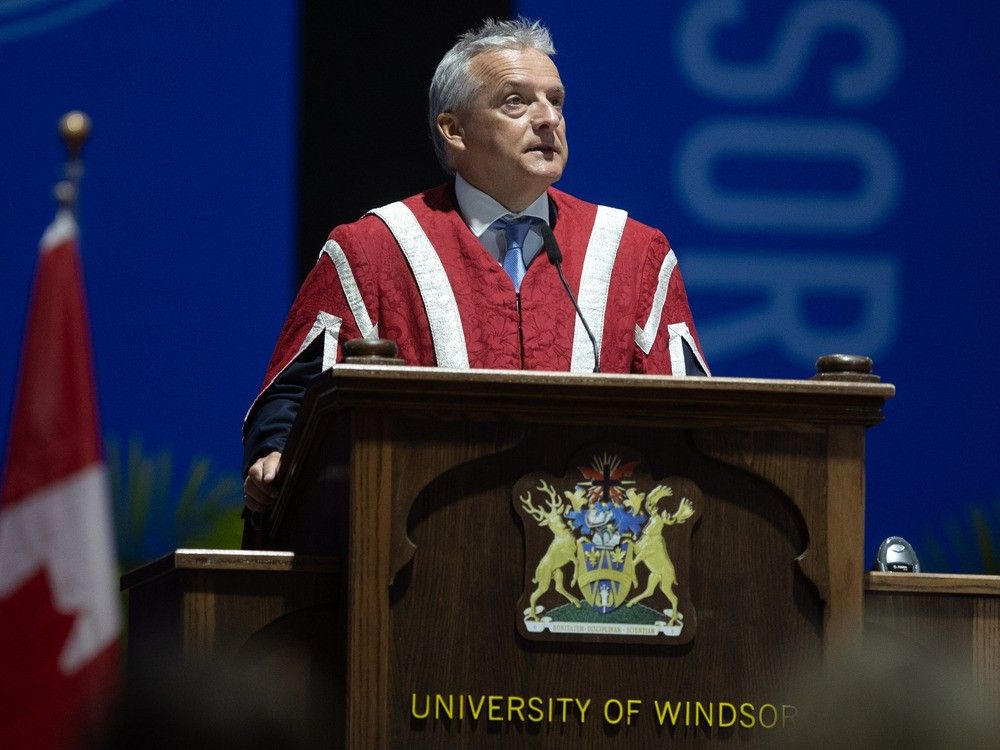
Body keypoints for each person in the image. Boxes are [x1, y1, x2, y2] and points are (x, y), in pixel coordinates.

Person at [243, 18, 709, 512]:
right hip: (423, 547)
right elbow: (295, 396)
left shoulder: (634, 254)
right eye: (517, 101)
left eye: (556, 100)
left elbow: (692, 415)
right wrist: (276, 455)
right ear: (454, 129)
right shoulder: (375, 249)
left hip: (593, 561)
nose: (547, 118)